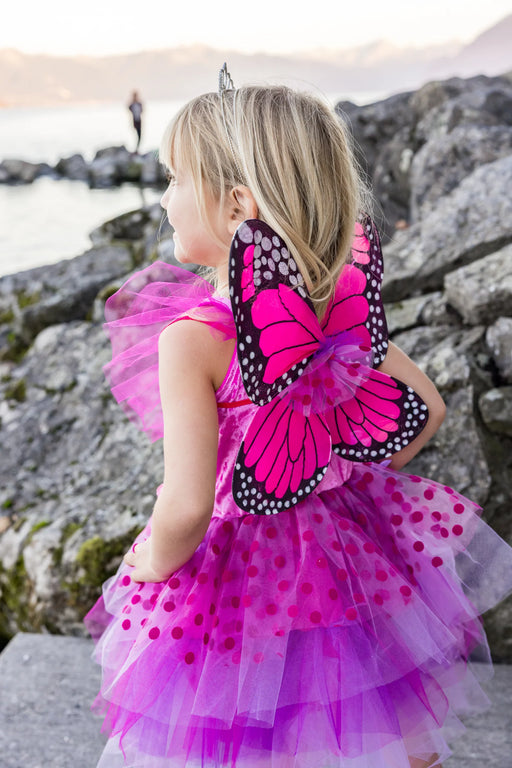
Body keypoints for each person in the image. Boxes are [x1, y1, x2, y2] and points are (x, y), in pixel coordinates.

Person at [85, 68, 512, 768]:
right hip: (347, 564)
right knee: (363, 718)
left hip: (238, 586)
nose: (163, 198)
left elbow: (188, 506)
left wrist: (151, 561)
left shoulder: (192, 339)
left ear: (236, 205)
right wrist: (336, 476)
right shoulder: (335, 310)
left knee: (243, 733)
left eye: (175, 179)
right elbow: (428, 409)